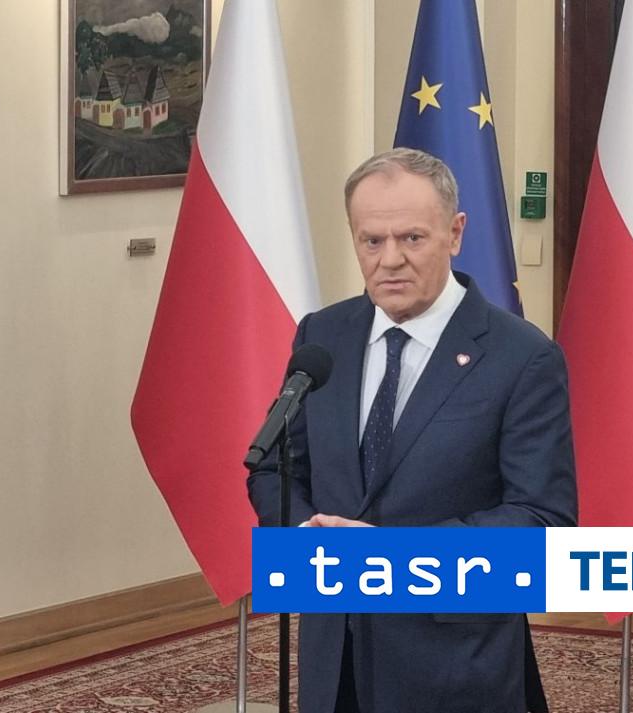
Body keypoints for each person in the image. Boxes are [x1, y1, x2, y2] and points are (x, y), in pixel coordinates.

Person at [247, 148, 577, 713]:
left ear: (455, 233)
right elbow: (276, 468)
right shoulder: (323, 336)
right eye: (372, 241)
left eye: (412, 238)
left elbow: (541, 520)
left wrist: (391, 559)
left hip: (455, 665)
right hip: (335, 655)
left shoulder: (521, 356)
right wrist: (306, 535)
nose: (390, 260)